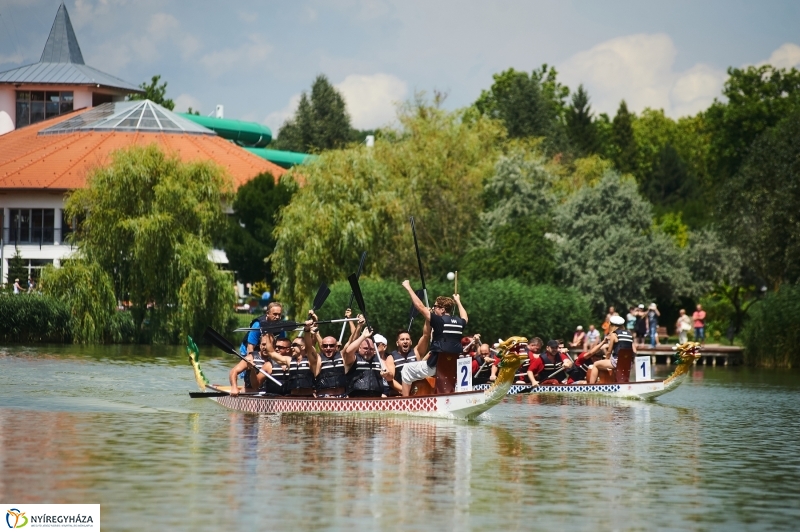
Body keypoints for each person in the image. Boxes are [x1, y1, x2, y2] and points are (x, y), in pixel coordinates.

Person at [400, 280, 468, 396]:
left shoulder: (439, 320)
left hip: (436, 365)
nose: (433, 308)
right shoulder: (460, 322)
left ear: (442, 310)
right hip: (452, 366)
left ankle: (404, 402)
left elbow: (419, 306)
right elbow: (465, 317)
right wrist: (458, 301)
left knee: (406, 369)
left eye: (435, 306)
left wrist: (408, 288)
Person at [586, 315, 636, 384]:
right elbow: (633, 350)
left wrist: (606, 359)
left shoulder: (614, 334)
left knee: (596, 364)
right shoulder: (629, 334)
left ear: (612, 325)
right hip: (629, 363)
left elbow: (609, 351)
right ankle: (620, 383)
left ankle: (591, 386)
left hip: (617, 362)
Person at [343, 325, 384, 397]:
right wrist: (363, 336)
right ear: (359, 348)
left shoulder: (379, 359)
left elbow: (390, 376)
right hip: (356, 396)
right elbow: (348, 351)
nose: (368, 351)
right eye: (365, 348)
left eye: (371, 349)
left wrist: (387, 374)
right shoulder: (353, 359)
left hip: (376, 396)